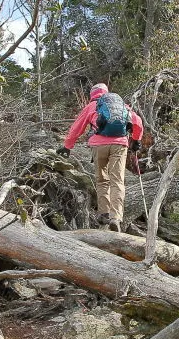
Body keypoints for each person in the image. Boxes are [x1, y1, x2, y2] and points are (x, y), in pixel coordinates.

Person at [58, 84, 143, 232]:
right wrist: (136, 140)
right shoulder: (120, 104)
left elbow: (78, 127)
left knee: (102, 179)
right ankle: (116, 217)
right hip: (119, 144)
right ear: (106, 93)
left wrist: (67, 146)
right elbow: (137, 122)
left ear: (92, 94)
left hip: (98, 145)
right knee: (117, 180)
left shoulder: (92, 106)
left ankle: (104, 214)